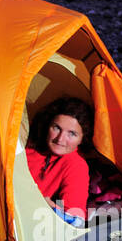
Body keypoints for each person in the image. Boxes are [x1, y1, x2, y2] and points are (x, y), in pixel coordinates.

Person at [24, 96, 93, 227]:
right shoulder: (28, 145)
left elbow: (75, 219)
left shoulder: (75, 165)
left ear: (83, 138)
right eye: (56, 128)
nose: (60, 139)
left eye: (72, 134)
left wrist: (45, 204)